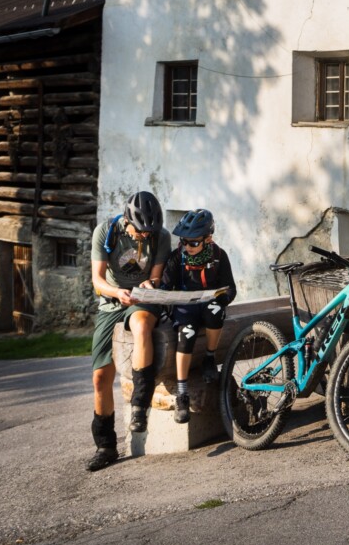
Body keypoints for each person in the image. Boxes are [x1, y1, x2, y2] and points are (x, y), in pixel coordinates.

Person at [85, 191, 171, 472]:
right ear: (127, 221)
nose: (145, 236)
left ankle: (139, 406)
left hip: (143, 301)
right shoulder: (106, 232)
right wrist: (117, 292)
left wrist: (151, 284)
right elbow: (97, 281)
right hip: (112, 302)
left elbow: (156, 274)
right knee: (100, 378)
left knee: (142, 325)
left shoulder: (161, 236)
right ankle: (105, 446)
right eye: (140, 231)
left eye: (150, 232)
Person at [160, 209, 237, 424]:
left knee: (215, 311)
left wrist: (220, 299)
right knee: (187, 333)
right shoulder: (177, 258)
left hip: (209, 304)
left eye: (194, 243)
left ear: (208, 238)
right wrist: (161, 294)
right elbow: (166, 286)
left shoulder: (219, 256)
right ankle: (182, 394)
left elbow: (230, 288)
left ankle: (209, 359)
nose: (188, 247)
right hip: (185, 308)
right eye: (185, 241)